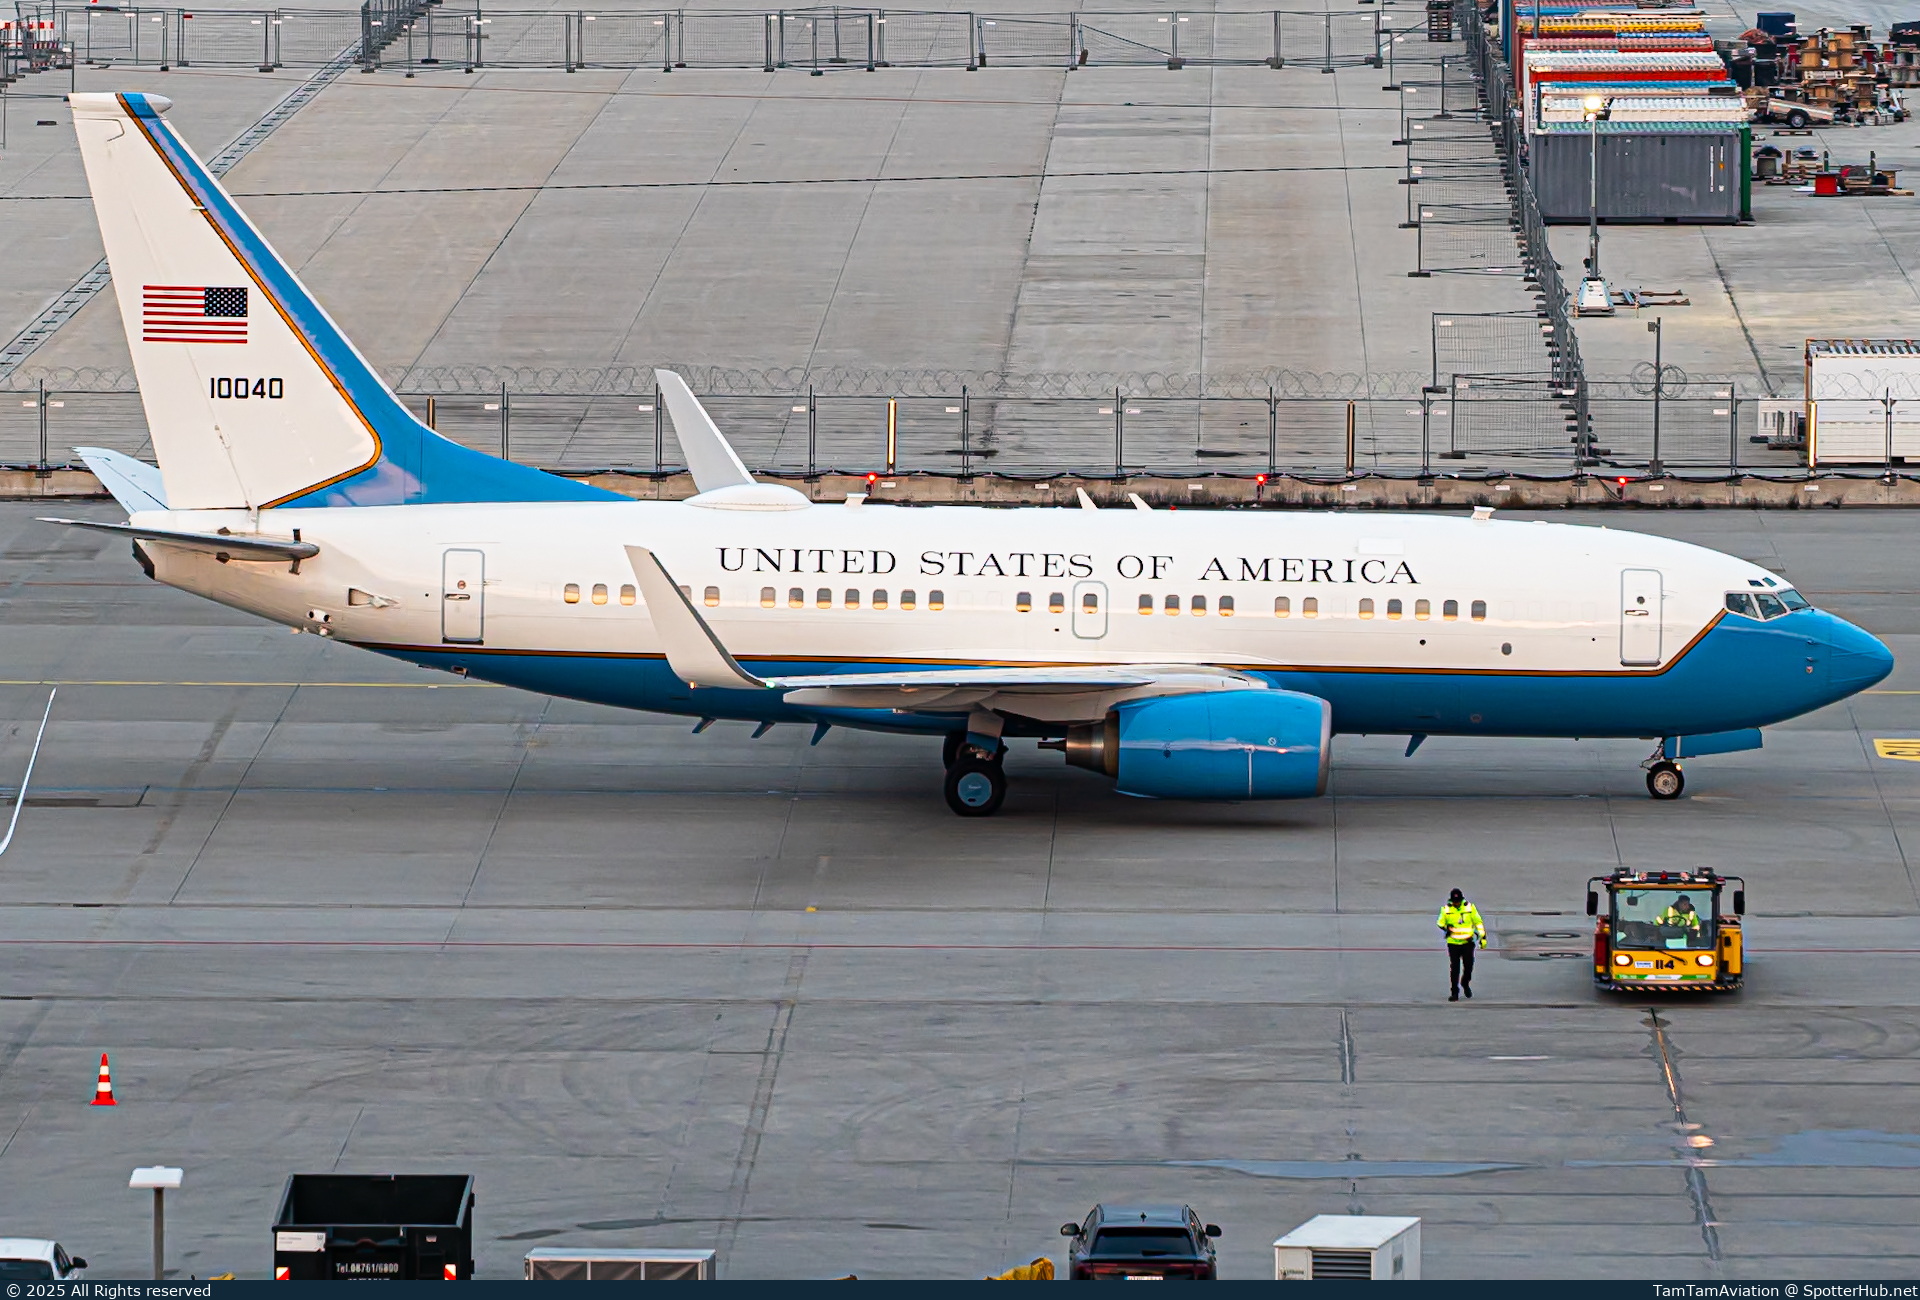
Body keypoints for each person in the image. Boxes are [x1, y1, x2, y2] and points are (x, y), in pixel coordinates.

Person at [1436, 888, 1487, 1001]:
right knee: (1455, 968)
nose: (1456, 903)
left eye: (1458, 901)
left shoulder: (1469, 908)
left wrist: (1482, 937)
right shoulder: (1446, 910)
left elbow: (1478, 922)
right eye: (1454, 901)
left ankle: (1465, 982)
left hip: (1467, 942)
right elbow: (1439, 922)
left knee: (1468, 966)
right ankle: (1454, 992)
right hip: (1453, 943)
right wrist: (1446, 928)